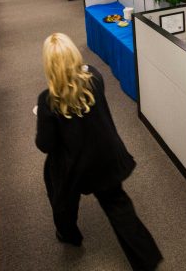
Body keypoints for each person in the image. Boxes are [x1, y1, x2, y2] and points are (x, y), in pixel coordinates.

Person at [36, 33, 162, 270]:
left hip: (74, 167)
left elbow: (45, 145)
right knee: (118, 205)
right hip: (105, 158)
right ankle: (147, 259)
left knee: (59, 191)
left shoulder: (47, 101)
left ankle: (69, 234)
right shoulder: (95, 76)